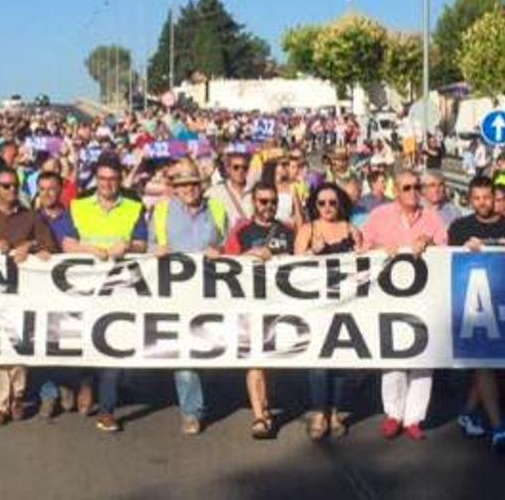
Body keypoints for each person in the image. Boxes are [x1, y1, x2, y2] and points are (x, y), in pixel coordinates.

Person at [0, 166, 56, 425]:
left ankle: (17, 395)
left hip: (21, 293)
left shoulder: (31, 217)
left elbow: (50, 246)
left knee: (17, 343)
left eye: (15, 185)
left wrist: (30, 245)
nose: (12, 190)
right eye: (5, 186)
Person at [363, 170, 447, 441]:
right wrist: (378, 250)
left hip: (423, 298)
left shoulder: (432, 217)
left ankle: (414, 418)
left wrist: (430, 243)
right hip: (389, 297)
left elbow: (446, 249)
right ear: (396, 191)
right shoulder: (379, 216)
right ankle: (394, 413)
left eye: (417, 187)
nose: (413, 192)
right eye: (407, 187)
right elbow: (363, 248)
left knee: (423, 357)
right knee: (394, 355)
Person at [69, 154, 149, 433]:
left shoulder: (133, 207)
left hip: (119, 288)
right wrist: (90, 250)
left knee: (113, 343)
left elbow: (142, 244)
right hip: (83, 287)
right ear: (95, 179)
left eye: (112, 179)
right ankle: (86, 382)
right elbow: (67, 243)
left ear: (119, 179)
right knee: (85, 340)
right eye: (102, 179)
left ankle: (107, 409)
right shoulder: (78, 206)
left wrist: (127, 246)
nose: (107, 184)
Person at [150, 158, 228, 436]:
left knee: (209, 348)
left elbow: (229, 244)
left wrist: (221, 252)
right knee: (185, 352)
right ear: (175, 188)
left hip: (210, 290)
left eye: (193, 184)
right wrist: (155, 251)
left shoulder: (217, 209)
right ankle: (191, 411)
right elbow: (148, 252)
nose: (189, 189)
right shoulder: (160, 212)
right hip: (176, 292)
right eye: (183, 185)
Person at [448, 176, 505, 455]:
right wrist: (463, 249)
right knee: (485, 360)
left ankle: (468, 411)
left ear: (495, 197)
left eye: (487, 197)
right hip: (471, 304)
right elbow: (447, 261)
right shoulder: (460, 227)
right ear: (469, 199)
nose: (482, 203)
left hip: (504, 301)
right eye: (476, 198)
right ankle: (499, 425)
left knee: (488, 360)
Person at [223, 180, 294, 440]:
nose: (268, 206)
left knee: (273, 359)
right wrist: (250, 254)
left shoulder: (288, 230)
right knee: (255, 359)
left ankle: (266, 404)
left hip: (281, 303)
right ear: (254, 202)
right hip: (251, 302)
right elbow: (226, 264)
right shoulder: (241, 231)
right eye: (263, 201)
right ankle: (259, 416)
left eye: (273, 202)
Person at [294, 182, 363, 441]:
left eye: (332, 203)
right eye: (321, 203)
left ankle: (334, 411)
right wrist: (314, 252)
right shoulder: (307, 230)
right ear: (314, 205)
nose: (327, 208)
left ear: (340, 204)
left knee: (341, 360)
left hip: (345, 305)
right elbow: (293, 267)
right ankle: (319, 411)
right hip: (317, 306)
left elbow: (363, 264)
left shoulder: (351, 230)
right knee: (319, 363)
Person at [32, 170, 82, 418]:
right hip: (39, 289)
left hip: (69, 288)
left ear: (61, 190)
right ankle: (48, 395)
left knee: (67, 339)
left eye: (51, 188)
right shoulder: (32, 218)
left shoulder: (74, 217)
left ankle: (67, 385)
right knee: (42, 341)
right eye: (42, 189)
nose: (46, 194)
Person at [207, 149, 253, 223]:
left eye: (244, 167)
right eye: (236, 167)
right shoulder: (214, 193)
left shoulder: (255, 192)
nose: (240, 171)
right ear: (228, 169)